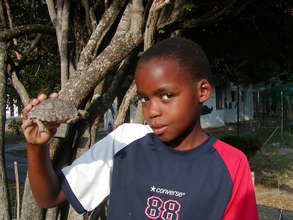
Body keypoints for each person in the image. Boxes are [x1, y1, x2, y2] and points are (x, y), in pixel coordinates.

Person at [22, 37, 258, 219]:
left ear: (202, 91)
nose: (152, 110)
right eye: (144, 98)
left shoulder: (231, 164)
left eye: (166, 95)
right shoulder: (124, 143)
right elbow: (49, 196)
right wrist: (35, 146)